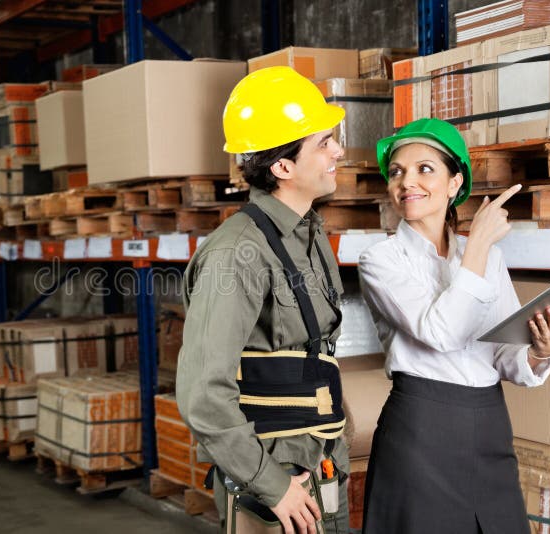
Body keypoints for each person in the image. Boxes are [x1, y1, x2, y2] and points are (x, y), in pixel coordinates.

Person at [357, 117, 550, 534]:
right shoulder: (381, 261)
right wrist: (476, 244)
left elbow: (500, 351)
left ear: (455, 183)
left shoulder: (486, 259)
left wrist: (539, 351)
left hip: (489, 427)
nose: (407, 182)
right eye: (398, 171)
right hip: (420, 431)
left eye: (425, 169)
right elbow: (443, 334)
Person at [176, 66, 351, 534]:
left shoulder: (308, 234)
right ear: (282, 167)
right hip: (276, 483)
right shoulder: (238, 254)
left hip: (320, 462)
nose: (338, 150)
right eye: (322, 143)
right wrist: (271, 484)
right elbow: (203, 395)